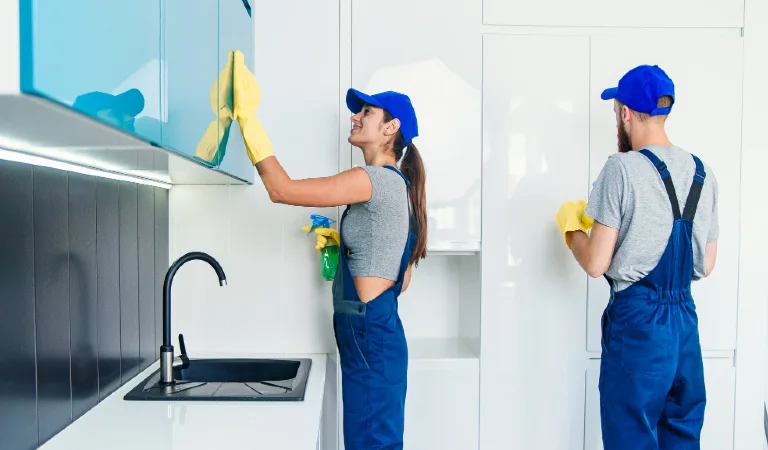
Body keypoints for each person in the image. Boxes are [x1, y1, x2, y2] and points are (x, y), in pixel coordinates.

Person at [245, 87, 428, 450]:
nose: (354, 117)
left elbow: (281, 190)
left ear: (391, 127)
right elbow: (401, 280)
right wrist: (355, 251)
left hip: (369, 335)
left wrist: (248, 123)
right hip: (377, 334)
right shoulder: (399, 187)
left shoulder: (373, 179)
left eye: (366, 112)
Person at [555, 65, 719, 449]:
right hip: (684, 328)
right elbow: (706, 265)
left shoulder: (622, 168)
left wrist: (572, 229)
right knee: (681, 434)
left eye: (617, 112)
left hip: (640, 327)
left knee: (631, 436)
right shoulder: (703, 172)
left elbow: (596, 263)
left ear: (625, 113)